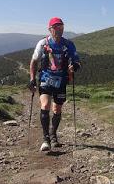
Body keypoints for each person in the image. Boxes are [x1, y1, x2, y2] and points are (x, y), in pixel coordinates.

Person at [28, 17, 81, 151]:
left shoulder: (69, 44)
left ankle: (53, 135)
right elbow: (34, 62)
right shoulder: (43, 43)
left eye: (61, 27)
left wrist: (74, 66)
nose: (59, 30)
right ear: (50, 29)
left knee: (57, 109)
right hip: (46, 78)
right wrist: (32, 79)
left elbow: (77, 61)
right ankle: (46, 139)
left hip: (61, 80)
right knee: (45, 105)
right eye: (56, 28)